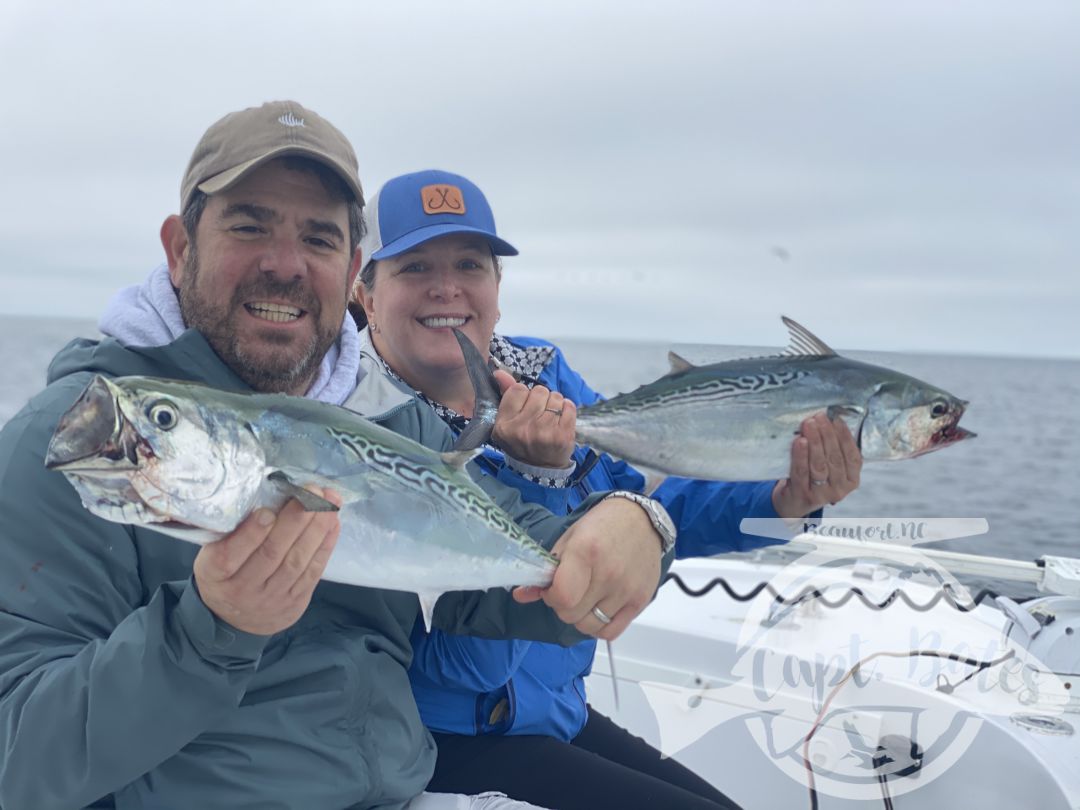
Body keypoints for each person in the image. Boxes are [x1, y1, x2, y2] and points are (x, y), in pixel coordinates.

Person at [0, 103, 677, 810]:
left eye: (318, 238)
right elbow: (17, 759)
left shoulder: (392, 419)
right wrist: (208, 628)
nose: (284, 265)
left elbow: (517, 562)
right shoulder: (85, 438)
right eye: (248, 224)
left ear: (350, 268)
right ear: (179, 248)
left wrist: (631, 524)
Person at [350, 169, 863, 810]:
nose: (447, 287)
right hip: (441, 740)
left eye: (470, 264)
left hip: (552, 714)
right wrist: (528, 476)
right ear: (366, 294)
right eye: (414, 267)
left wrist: (783, 500)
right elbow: (460, 659)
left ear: (499, 288)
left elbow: (647, 511)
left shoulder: (543, 375)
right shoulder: (357, 423)